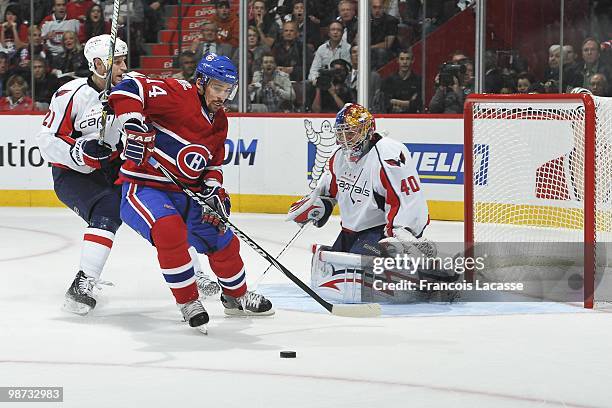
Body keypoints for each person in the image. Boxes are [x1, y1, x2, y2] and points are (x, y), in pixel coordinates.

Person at [107, 53, 274, 333]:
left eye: (227, 89)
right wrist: (133, 124)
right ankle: (188, 302)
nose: (223, 95)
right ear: (201, 82)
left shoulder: (219, 121)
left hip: (189, 193)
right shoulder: (177, 93)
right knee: (169, 230)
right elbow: (129, 87)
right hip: (146, 186)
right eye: (217, 88)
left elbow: (212, 163)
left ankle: (236, 296)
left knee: (222, 238)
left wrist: (212, 190)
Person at [287, 103, 437, 299]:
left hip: (378, 230)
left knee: (360, 281)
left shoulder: (387, 154)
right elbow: (330, 191)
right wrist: (315, 206)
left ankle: (429, 275)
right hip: (350, 231)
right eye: (341, 134)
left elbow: (407, 198)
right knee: (331, 273)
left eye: (350, 133)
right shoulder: (338, 156)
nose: (344, 140)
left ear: (367, 131)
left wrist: (403, 233)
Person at [35, 35, 128, 315]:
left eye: (125, 61)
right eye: (118, 62)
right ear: (99, 64)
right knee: (109, 210)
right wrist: (80, 152)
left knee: (159, 206)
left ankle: (194, 275)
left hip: (114, 167)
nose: (124, 68)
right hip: (73, 174)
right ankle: (83, 282)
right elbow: (46, 139)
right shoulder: (70, 94)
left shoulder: (130, 89)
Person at [381, 48, 421, 113]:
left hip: (412, 118)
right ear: (397, 60)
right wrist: (407, 103)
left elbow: (416, 104)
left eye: (407, 59)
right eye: (402, 59)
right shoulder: (389, 80)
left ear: (412, 60)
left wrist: (395, 101)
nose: (405, 62)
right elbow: (386, 103)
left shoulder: (418, 80)